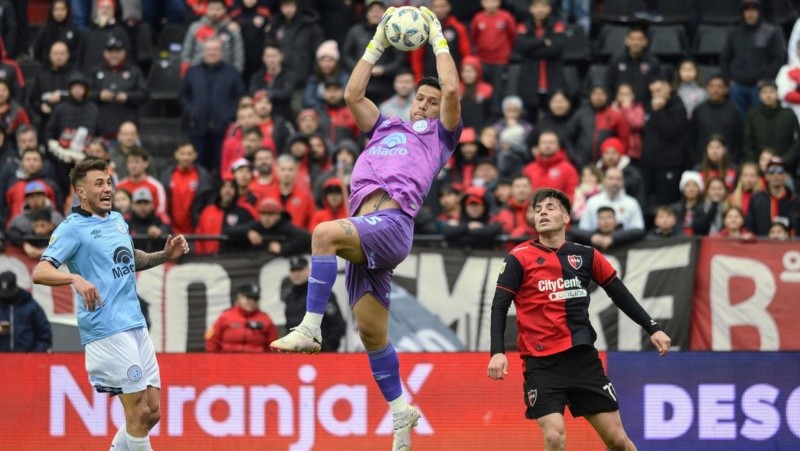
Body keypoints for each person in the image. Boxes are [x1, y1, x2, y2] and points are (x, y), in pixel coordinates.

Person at [270, 7, 462, 450]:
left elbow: (450, 86)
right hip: (366, 229)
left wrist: (436, 36)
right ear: (411, 101)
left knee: (322, 233)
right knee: (372, 334)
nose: (427, 105)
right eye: (421, 99)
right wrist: (377, 41)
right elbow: (352, 93)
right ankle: (401, 412)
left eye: (433, 103)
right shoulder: (385, 127)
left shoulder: (440, 137)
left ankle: (310, 327)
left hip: (391, 224)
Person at [486, 187, 671, 451]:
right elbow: (499, 306)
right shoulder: (518, 258)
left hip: (582, 359)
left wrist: (652, 327)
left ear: (566, 218)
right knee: (554, 437)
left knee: (618, 441)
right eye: (537, 210)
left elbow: (620, 294)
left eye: (550, 207)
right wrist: (497, 352)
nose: (542, 213)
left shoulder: (587, 255)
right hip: (541, 364)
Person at [32, 158, 190, 451]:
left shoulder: (117, 219)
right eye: (99, 184)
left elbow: (129, 258)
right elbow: (40, 271)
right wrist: (75, 279)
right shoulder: (71, 229)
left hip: (134, 323)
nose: (108, 189)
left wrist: (163, 255)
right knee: (139, 412)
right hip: (105, 329)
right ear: (81, 192)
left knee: (152, 412)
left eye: (108, 183)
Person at [720, 0, 786, 116]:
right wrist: (729, 79)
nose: (750, 13)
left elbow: (778, 58)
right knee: (738, 120)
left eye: (754, 10)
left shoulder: (771, 32)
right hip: (737, 86)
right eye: (747, 10)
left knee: (759, 120)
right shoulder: (734, 33)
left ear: (759, 12)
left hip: (760, 86)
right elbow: (725, 58)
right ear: (742, 13)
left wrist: (767, 79)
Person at [280, 255, 346, 352]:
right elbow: (289, 326)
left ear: (308, 271)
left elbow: (337, 324)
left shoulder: (321, 293)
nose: (297, 274)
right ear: (289, 273)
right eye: (294, 271)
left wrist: (328, 348)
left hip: (321, 354)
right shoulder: (290, 297)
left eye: (300, 270)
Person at [205, 283, 278, 352]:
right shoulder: (226, 316)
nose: (252, 302)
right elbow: (212, 341)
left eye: (255, 299)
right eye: (248, 298)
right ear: (239, 298)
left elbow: (273, 345)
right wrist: (212, 360)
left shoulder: (265, 319)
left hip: (256, 362)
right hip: (228, 361)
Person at [0, 271, 53, 352]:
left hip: (27, 361)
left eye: (8, 293)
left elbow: (45, 335)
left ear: (15, 288)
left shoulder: (31, 306)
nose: (6, 297)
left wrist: (33, 356)